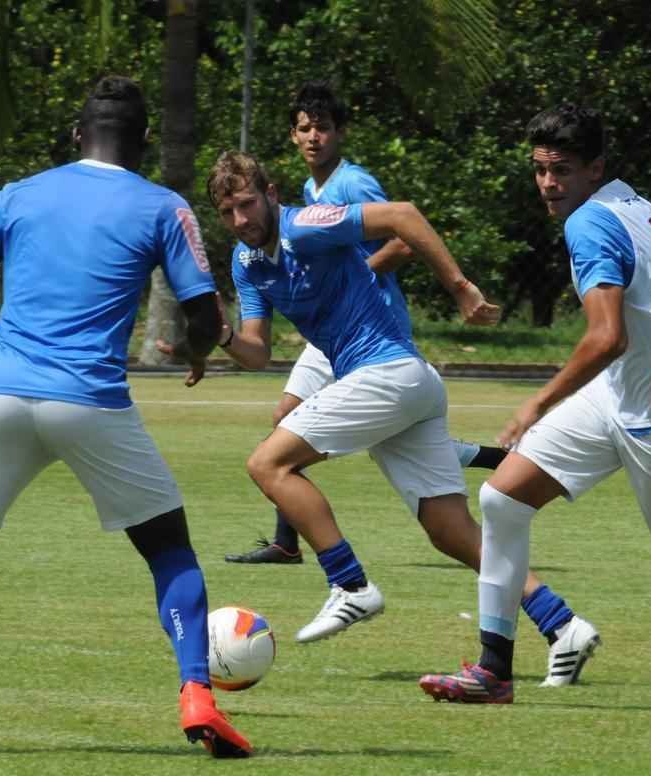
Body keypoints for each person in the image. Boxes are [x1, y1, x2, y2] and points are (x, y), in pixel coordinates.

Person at [0, 76, 252, 759]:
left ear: (75, 136)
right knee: (168, 549)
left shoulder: (18, 194)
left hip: (2, 395)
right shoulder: (163, 205)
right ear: (144, 142)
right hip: (90, 402)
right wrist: (195, 350)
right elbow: (205, 314)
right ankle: (196, 692)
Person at [419, 103, 651, 704]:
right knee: (501, 499)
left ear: (595, 170)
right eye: (539, 169)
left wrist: (536, 402)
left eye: (561, 170)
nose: (548, 183)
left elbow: (606, 337)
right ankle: (492, 672)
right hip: (614, 402)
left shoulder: (590, 223)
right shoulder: (632, 203)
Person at [198, 150, 600, 688]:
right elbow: (257, 354)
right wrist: (221, 335)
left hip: (386, 375)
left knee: (269, 464)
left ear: (271, 195)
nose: (241, 220)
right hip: (407, 387)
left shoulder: (305, 225)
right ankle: (562, 624)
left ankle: (350, 585)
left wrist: (460, 288)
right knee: (450, 532)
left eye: (248, 204)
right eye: (228, 212)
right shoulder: (246, 264)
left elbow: (404, 216)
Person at [225, 80, 505, 567]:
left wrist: (344, 283)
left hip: (370, 330)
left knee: (285, 445)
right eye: (304, 129)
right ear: (293, 136)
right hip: (336, 335)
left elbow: (400, 235)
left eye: (323, 129)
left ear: (341, 133)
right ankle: (288, 541)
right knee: (290, 424)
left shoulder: (350, 183)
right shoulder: (304, 196)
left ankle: (341, 574)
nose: (314, 138)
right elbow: (257, 345)